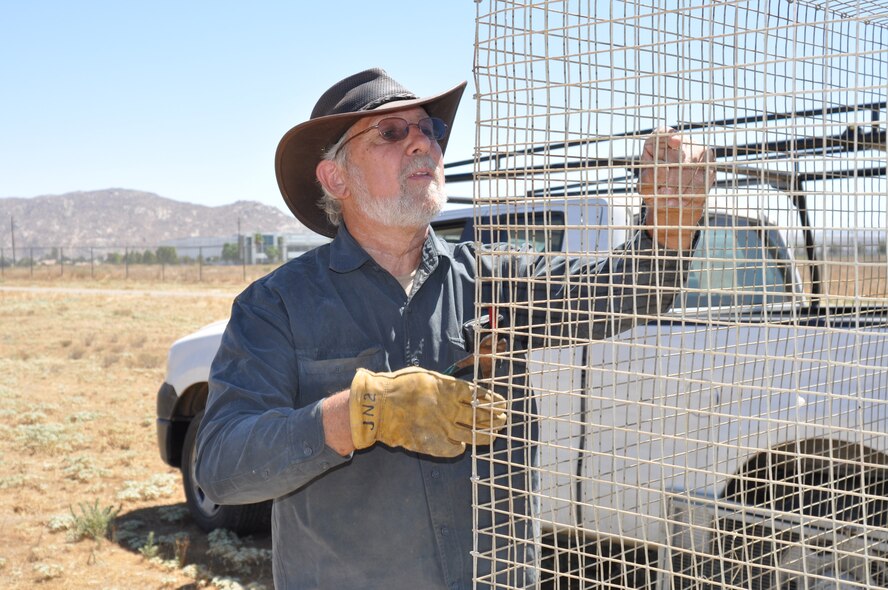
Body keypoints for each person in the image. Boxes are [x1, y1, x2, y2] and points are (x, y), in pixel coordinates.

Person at [195, 67, 713, 589]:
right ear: (336, 178)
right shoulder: (276, 305)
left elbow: (629, 292)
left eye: (430, 130)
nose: (422, 141)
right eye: (392, 132)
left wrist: (672, 214)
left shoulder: (493, 279)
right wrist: (358, 413)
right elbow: (219, 464)